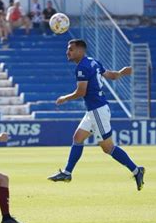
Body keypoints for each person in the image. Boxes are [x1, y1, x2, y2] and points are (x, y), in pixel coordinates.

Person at [47, 39, 145, 191]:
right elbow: (111, 75)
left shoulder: (82, 68)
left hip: (97, 111)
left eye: (71, 49)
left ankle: (136, 170)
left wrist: (64, 98)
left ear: (80, 51)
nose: (68, 52)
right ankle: (67, 173)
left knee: (108, 148)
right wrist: (121, 72)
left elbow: (81, 92)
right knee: (77, 138)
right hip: (94, 110)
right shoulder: (93, 62)